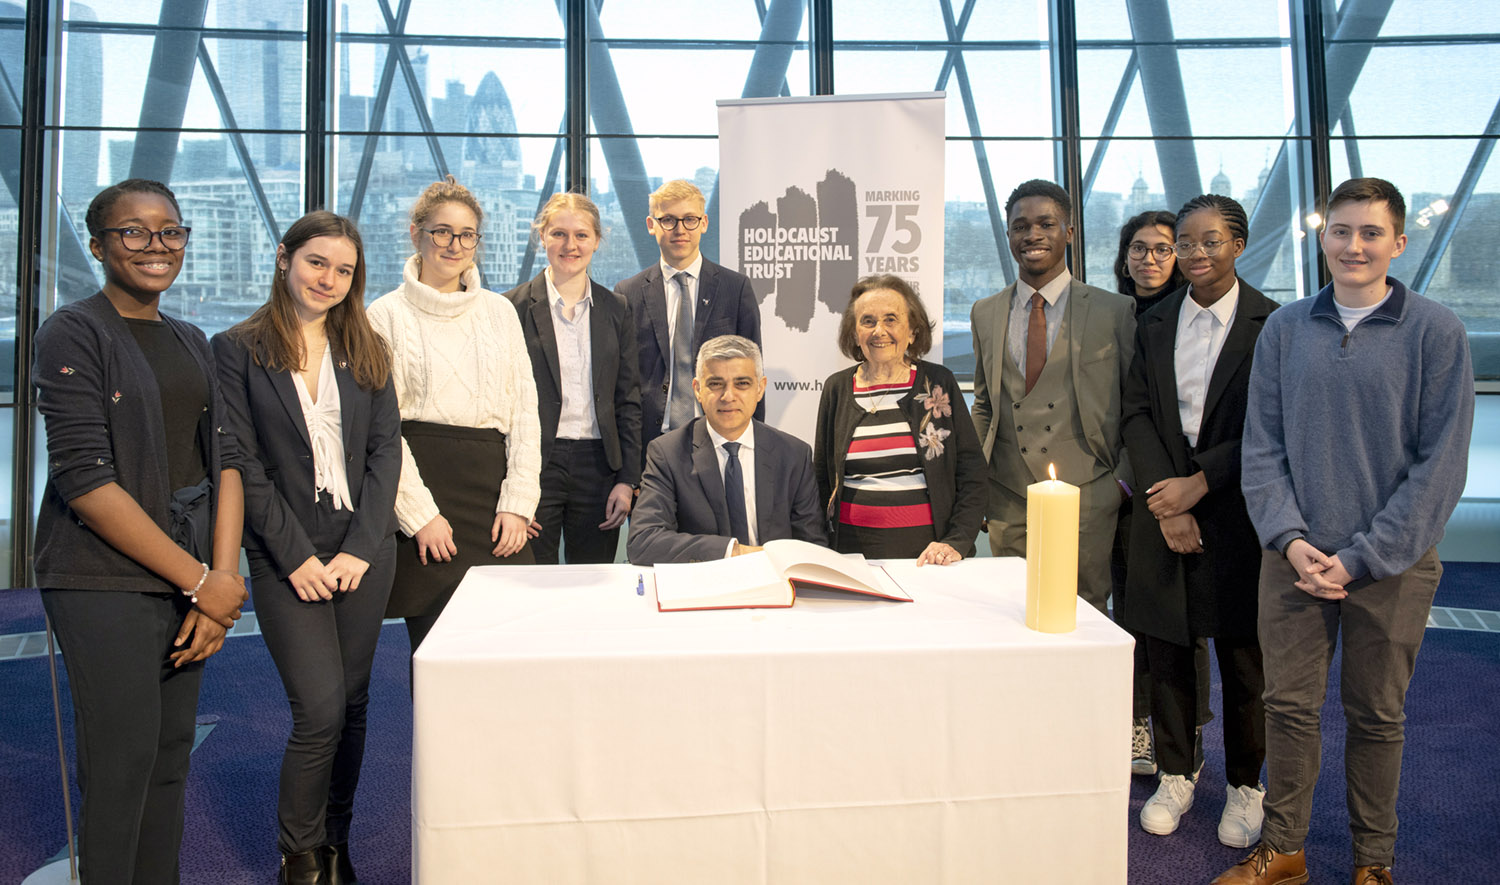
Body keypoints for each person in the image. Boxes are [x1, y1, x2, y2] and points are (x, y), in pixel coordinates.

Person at [1215, 178, 1474, 885]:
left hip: (1392, 565)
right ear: (1321, 237)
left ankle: (1373, 860)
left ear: (1398, 242)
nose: (1353, 245)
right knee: (1289, 708)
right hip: (1293, 560)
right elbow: (1261, 446)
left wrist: (1360, 557)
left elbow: (1439, 467)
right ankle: (1285, 848)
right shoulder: (1286, 328)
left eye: (1369, 232)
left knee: (1377, 714)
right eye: (1340, 230)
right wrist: (1293, 540)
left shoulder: (1437, 332)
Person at [33, 179, 247, 882]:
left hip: (192, 581)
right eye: (133, 231)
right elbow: (87, 485)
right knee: (121, 759)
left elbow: (227, 464)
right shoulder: (73, 330)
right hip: (102, 579)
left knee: (168, 754)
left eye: (169, 231)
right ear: (97, 246)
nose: (155, 245)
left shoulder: (192, 339)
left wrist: (220, 583)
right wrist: (200, 582)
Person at [212, 211, 400, 884]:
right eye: (317, 262)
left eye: (344, 269)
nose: (329, 278)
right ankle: (300, 854)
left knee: (352, 704)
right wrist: (296, 556)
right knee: (317, 707)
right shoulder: (236, 348)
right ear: (285, 258)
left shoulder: (368, 347)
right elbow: (240, 460)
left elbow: (385, 455)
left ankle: (337, 842)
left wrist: (361, 548)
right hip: (282, 551)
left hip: (361, 550)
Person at [1120, 194, 1278, 848]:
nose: (1193, 253)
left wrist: (1200, 483)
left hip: (1235, 511)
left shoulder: (1272, 323)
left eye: (1209, 240)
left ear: (1237, 244)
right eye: (1185, 242)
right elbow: (1134, 412)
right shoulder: (1154, 321)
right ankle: (1179, 770)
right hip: (1162, 510)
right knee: (1168, 650)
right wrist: (1166, 496)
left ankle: (1246, 783)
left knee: (1244, 659)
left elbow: (1273, 423)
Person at [367, 176, 541, 657]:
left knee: (512, 651)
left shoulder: (499, 312)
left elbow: (525, 411)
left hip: (494, 500)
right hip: (426, 495)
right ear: (416, 233)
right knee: (440, 656)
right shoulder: (383, 316)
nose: (454, 244)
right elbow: (381, 432)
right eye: (442, 231)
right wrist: (420, 516)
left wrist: (519, 502)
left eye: (466, 234)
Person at [969, 179, 1135, 611]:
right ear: (1008, 235)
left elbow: (1137, 404)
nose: (1032, 235)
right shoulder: (985, 313)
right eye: (1020, 226)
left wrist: (1120, 483)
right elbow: (985, 405)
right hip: (1007, 497)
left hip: (1089, 495)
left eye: (1046, 223)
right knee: (1013, 614)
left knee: (1085, 615)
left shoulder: (1114, 312)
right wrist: (975, 485)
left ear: (1070, 232)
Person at [812, 274, 986, 565]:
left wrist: (956, 541)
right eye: (868, 321)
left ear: (913, 331)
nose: (879, 331)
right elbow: (821, 479)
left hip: (930, 558)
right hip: (851, 556)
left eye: (891, 319)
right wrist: (820, 549)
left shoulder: (937, 383)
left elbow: (972, 474)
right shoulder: (837, 388)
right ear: (855, 333)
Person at [507, 193, 642, 564]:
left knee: (594, 583)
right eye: (559, 234)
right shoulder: (511, 308)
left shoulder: (617, 308)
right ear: (542, 238)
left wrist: (628, 480)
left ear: (597, 240)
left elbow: (627, 399)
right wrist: (513, 490)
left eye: (582, 235)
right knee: (533, 580)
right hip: (535, 466)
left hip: (600, 468)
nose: (571, 245)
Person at [627, 335, 824, 565]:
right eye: (715, 384)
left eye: (742, 383)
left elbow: (813, 547)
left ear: (760, 389)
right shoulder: (667, 454)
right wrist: (734, 552)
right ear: (697, 389)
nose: (728, 396)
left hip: (776, 588)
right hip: (703, 588)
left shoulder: (794, 455)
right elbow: (643, 542)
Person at [615, 179, 761, 464]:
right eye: (668, 220)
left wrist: (749, 449)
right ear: (651, 224)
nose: (680, 229)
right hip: (650, 447)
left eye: (690, 219)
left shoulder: (736, 288)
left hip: (720, 440)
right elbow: (623, 387)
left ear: (704, 222)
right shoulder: (627, 294)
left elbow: (753, 374)